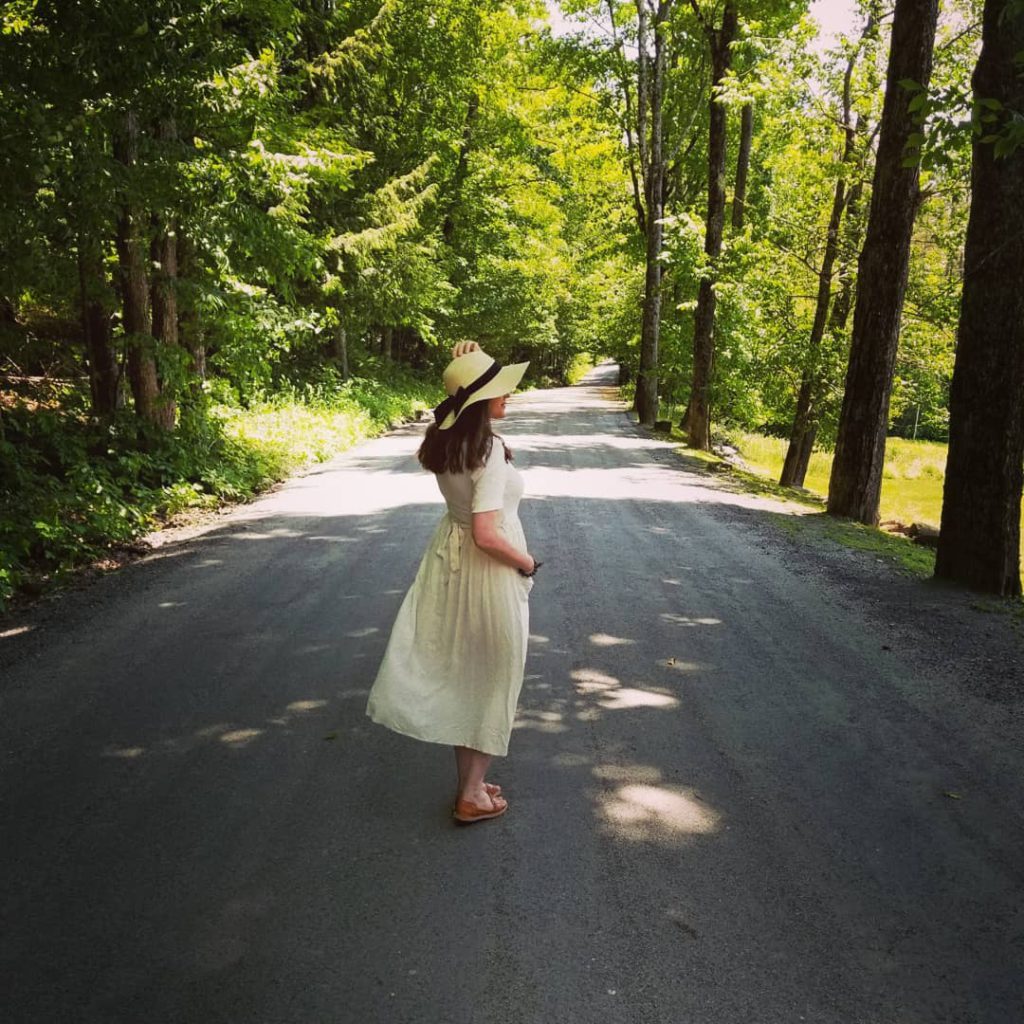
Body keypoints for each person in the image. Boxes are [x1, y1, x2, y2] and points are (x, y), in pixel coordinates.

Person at [365, 341, 542, 824]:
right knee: (493, 676)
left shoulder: (448, 440)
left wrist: (472, 361)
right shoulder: (486, 450)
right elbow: (487, 533)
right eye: (500, 391)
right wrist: (526, 562)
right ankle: (471, 796)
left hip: (450, 562)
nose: (509, 397)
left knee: (469, 672)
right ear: (479, 401)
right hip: (487, 569)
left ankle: (472, 784)